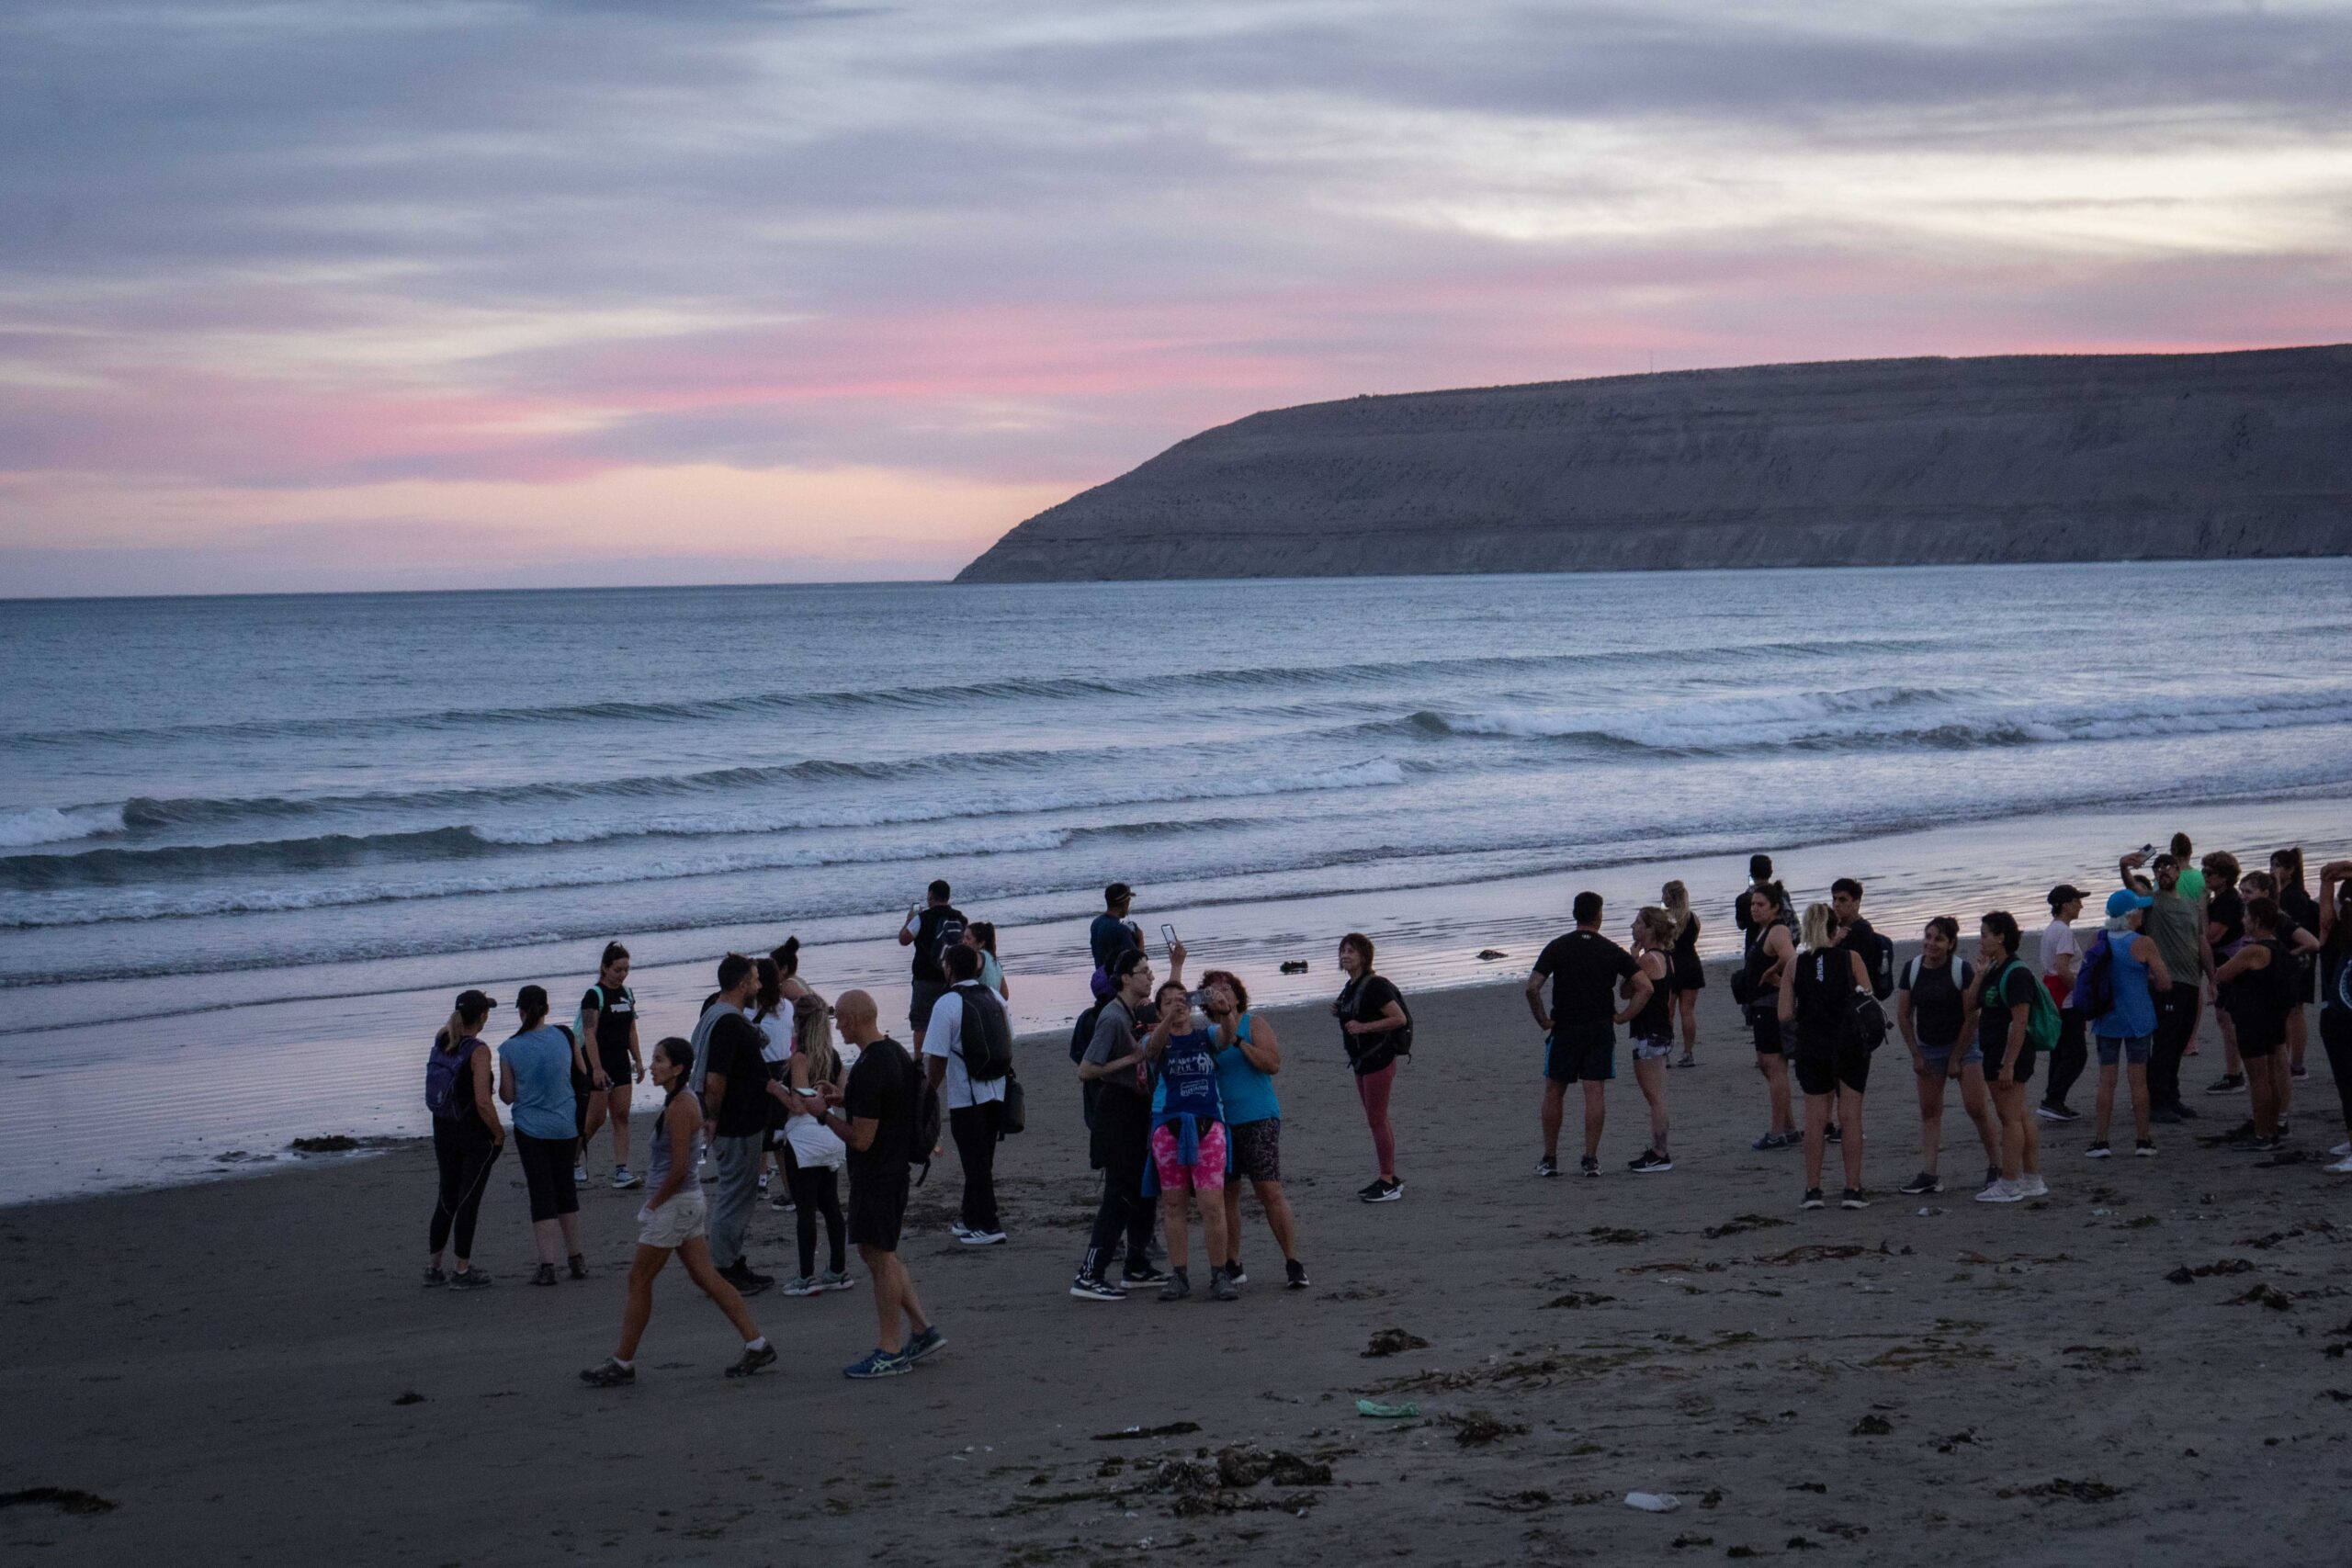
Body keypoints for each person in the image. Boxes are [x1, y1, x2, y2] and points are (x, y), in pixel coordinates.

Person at [581, 1037, 776, 1385]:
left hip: (675, 1206)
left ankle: (622, 1362)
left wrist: (653, 1205)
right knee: (707, 1278)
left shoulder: (682, 1106)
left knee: (639, 1279)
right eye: (653, 1058)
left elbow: (681, 1168)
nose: (652, 1066)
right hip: (684, 1205)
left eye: (659, 1060)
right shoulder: (677, 1101)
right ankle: (757, 1344)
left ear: (678, 1068)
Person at [811, 989, 945, 1378]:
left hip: (879, 1175)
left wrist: (822, 1115)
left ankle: (890, 1349)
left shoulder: (871, 1066)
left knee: (880, 1258)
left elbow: (861, 1139)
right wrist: (842, 1098)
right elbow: (887, 1105)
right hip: (892, 1170)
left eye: (840, 1019)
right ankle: (922, 1330)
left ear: (853, 1020)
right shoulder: (893, 1053)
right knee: (877, 1252)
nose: (837, 1027)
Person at [1071, 947, 1175, 1299]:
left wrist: (1177, 967)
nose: (1150, 976)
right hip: (1116, 1111)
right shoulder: (1113, 1017)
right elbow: (1086, 1070)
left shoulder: (1134, 1013)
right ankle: (1089, 1274)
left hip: (1139, 1109)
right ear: (1126, 978)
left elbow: (1172, 1003)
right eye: (1144, 971)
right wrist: (1131, 1059)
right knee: (1118, 1194)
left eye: (1150, 970)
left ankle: (1137, 1265)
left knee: (1144, 1189)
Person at [1200, 968, 1308, 1289]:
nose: (1221, 994)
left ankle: (1293, 1262)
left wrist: (1239, 1042)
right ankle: (1233, 1262)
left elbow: (1272, 1064)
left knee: (1268, 1189)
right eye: (1213, 990)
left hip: (1259, 1116)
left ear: (1237, 995)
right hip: (1221, 1122)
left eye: (1227, 988)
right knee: (1227, 1193)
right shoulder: (1207, 1035)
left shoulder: (1254, 1024)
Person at [1525, 892, 1646, 1177]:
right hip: (1599, 1028)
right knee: (1594, 1091)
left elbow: (1532, 987)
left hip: (1565, 1027)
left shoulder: (1558, 946)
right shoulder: (1611, 949)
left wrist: (1542, 1019)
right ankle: (1590, 1159)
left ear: (1574, 914)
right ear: (1599, 916)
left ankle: (1550, 1158)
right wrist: (1624, 1016)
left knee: (1555, 1089)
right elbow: (1645, 986)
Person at [1141, 980, 1237, 1302]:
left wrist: (1225, 1010)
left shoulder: (1204, 1036)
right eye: (1168, 1002)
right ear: (1158, 1011)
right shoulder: (1155, 1038)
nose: (1176, 1005)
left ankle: (1219, 1273)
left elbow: (1227, 1039)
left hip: (1208, 1123)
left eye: (1181, 1000)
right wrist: (1170, 1020)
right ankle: (1179, 1275)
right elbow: (1150, 1051)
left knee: (1212, 1205)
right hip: (1168, 1126)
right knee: (1173, 1204)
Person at [1894, 918, 1997, 1197]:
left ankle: (1996, 1166)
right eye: (1928, 937)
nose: (1931, 943)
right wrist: (1916, 1054)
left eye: (1938, 939)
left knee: (1976, 1107)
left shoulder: (1960, 969)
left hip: (1964, 1044)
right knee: (1929, 1112)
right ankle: (1929, 1174)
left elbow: (1971, 1017)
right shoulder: (1912, 968)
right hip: (1928, 1047)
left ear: (1951, 944)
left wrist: (1956, 1058)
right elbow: (1903, 1015)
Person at [1781, 902, 1873, 1210]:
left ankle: (1813, 1189)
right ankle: (1852, 1188)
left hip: (1812, 1044)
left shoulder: (1795, 964)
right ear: (1835, 929)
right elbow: (1868, 998)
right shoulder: (1851, 958)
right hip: (1849, 1042)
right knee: (1850, 1116)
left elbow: (1784, 1014)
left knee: (1815, 1118)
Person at [498, 986, 588, 1285]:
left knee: (541, 1193)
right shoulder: (565, 1036)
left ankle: (547, 1265)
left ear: (520, 1011)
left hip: (531, 1128)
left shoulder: (509, 1048)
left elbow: (508, 1096)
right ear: (546, 1009)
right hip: (565, 1124)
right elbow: (582, 1073)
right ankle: (576, 1258)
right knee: (566, 1189)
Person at [923, 943, 1011, 1246]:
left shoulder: (946, 1004)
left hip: (966, 1096)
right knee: (982, 1159)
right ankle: (970, 1217)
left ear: (948, 968)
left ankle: (990, 1224)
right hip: (998, 1089)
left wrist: (929, 1092)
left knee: (975, 1164)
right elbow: (1008, 1040)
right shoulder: (995, 996)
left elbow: (937, 1058)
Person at [698, 953, 776, 1295]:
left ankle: (731, 1260)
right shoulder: (728, 1023)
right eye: (756, 979)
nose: (759, 985)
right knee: (735, 1196)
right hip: (736, 1123)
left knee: (740, 1194)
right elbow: (715, 1080)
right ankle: (723, 1269)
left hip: (743, 1119)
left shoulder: (721, 1014)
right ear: (743, 984)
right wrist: (713, 1118)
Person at [771, 994, 856, 1295]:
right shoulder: (833, 1056)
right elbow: (843, 1096)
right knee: (830, 1205)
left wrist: (775, 1089)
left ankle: (806, 1276)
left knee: (806, 1209)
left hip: (804, 1139)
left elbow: (797, 1105)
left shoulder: (801, 1057)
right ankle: (838, 1270)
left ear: (800, 1022)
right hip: (830, 1134)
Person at [424, 989, 504, 1289]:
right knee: (468, 1198)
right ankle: (461, 1270)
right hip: (472, 1134)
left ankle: (434, 1268)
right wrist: (498, 1132)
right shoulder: (479, 1051)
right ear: (483, 1016)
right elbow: (483, 1101)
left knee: (447, 1196)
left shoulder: (442, 1038)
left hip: (443, 1128)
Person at [2086, 888, 2173, 1159]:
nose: (2142, 914)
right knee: (2138, 1080)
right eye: (2139, 910)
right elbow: (2165, 982)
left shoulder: (2098, 939)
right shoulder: (2143, 943)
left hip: (2107, 1017)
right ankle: (2143, 1140)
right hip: (2137, 1018)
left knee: (2106, 1080)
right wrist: (2147, 978)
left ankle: (2101, 1141)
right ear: (2131, 915)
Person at [2212, 897, 2302, 1151]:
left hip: (2253, 1019)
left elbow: (2222, 973)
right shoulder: (2279, 948)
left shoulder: (2254, 950)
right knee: (2271, 1077)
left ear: (2257, 921)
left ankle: (2262, 1134)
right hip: (2274, 1017)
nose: (2243, 921)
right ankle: (2273, 1129)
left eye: (2246, 917)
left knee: (2258, 1079)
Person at [2122, 849, 2204, 1123]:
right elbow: (2132, 886)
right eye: (2158, 869)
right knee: (2165, 1043)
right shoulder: (2151, 901)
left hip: (2191, 981)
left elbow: (2201, 942)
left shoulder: (2191, 905)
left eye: (2168, 867)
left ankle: (2171, 1096)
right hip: (2166, 983)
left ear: (2178, 871)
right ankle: (2156, 1101)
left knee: (2180, 1042)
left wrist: (2212, 976)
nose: (2163, 871)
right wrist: (2124, 866)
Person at [1973, 912, 2046, 1203]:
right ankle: (2032, 1179)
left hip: (2009, 1054)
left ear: (2001, 937)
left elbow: (2020, 1021)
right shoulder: (1995, 969)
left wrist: (2009, 1064)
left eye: (1985, 935)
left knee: (2010, 1118)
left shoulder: (2016, 973)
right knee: (2019, 1114)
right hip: (1994, 1051)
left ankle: (2010, 1182)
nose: (1981, 940)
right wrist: (1980, 974)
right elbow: (1970, 1004)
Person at [1335, 933, 1408, 1201]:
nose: (1345, 956)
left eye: (1351, 951)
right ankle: (1389, 1178)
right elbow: (1354, 1011)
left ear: (1364, 956)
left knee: (1377, 1119)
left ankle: (1387, 1180)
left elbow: (1399, 1018)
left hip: (1379, 1059)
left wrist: (1364, 1027)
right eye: (1343, 951)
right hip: (1362, 1061)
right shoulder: (1351, 986)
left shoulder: (1375, 985)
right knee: (1376, 1118)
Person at [576, 942, 645, 1190]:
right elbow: (589, 1033)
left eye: (626, 969)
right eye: (617, 970)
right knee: (594, 1119)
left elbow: (631, 1029)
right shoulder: (594, 995)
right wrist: (596, 1068)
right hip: (598, 1062)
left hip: (620, 1062)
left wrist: (638, 1059)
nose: (622, 974)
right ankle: (570, 1162)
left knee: (621, 1115)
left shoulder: (627, 994)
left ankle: (621, 1170)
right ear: (605, 968)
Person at [1739, 886, 1799, 1149]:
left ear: (1775, 907)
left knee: (1775, 1067)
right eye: (1753, 904)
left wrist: (1772, 975)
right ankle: (1789, 1127)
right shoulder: (1762, 931)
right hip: (1760, 1006)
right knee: (1766, 1064)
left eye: (1760, 904)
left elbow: (1791, 959)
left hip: (1772, 1006)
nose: (1754, 909)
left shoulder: (1777, 930)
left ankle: (1777, 1132)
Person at [1624, 908, 1678, 1172]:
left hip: (1649, 1032)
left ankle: (1659, 1153)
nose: (1632, 927)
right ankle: (1659, 1151)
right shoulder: (1666, 958)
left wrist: (1622, 1017)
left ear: (1650, 929)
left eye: (1637, 923)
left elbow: (1631, 992)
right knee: (1657, 1095)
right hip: (1661, 1031)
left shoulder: (1648, 960)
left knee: (1655, 1096)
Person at [2034, 886, 2090, 1124]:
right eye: (2077, 901)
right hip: (2066, 1000)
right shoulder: (2063, 932)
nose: (2081, 905)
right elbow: (2063, 970)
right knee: (2077, 1054)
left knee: (2059, 1053)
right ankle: (2053, 1099)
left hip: (2054, 999)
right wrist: (2083, 994)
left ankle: (2054, 1101)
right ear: (2065, 904)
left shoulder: (2051, 930)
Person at [2314, 861, 2352, 1173]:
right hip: (2339, 1012)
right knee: (2344, 1075)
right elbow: (2325, 924)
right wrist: (2327, 882)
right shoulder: (2343, 938)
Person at [898, 879, 967, 1046]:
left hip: (925, 977)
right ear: (948, 897)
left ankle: (919, 1059)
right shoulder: (960, 919)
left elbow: (904, 940)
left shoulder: (922, 918)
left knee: (921, 1023)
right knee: (951, 1018)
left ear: (930, 896)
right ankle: (951, 1052)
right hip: (952, 977)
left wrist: (909, 920)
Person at [750, 956, 796, 1208]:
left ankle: (761, 1182)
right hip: (784, 1072)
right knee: (779, 1137)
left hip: (761, 1074)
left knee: (759, 1133)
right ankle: (790, 1190)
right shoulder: (787, 1007)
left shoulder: (747, 1011)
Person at [2201, 852, 2248, 1097]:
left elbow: (2211, 936)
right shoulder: (2220, 899)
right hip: (2223, 962)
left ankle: (2235, 1074)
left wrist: (2202, 908)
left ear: (2224, 876)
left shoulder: (2228, 900)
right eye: (2204, 871)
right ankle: (2234, 1072)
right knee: (2224, 1018)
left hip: (2228, 962)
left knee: (2227, 1019)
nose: (2205, 876)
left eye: (2210, 872)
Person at [2271, 849, 2319, 1078]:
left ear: (2290, 870)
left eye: (2277, 866)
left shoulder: (2293, 896)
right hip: (2294, 957)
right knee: (2289, 1010)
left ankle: (2296, 1064)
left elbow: (2295, 929)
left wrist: (2292, 953)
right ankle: (2290, 1062)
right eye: (2272, 865)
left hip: (2298, 959)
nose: (2273, 870)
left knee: (2294, 1010)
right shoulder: (2288, 894)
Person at [1662, 880, 1703, 1067]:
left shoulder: (1664, 920)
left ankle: (1665, 1053)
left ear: (1669, 896)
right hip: (1691, 963)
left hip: (1670, 965)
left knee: (1668, 1012)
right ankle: (1688, 1052)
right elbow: (1693, 938)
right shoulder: (1692, 918)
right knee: (1688, 1011)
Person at [1090, 883, 1143, 999]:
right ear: (1125, 902)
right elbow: (1139, 962)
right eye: (1128, 901)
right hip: (1117, 988)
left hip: (1101, 983)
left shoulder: (1096, 923)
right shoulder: (1120, 929)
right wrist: (1140, 938)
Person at [1734, 854, 1792, 933]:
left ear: (1751, 873)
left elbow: (1741, 926)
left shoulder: (1742, 899)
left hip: (1754, 939)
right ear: (1771, 872)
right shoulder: (1782, 893)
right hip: (1781, 935)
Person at [968, 922, 1010, 1000]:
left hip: (979, 1004)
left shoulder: (977, 957)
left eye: (968, 938)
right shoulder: (996, 962)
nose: (963, 941)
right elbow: (1005, 995)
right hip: (994, 1005)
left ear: (980, 943)